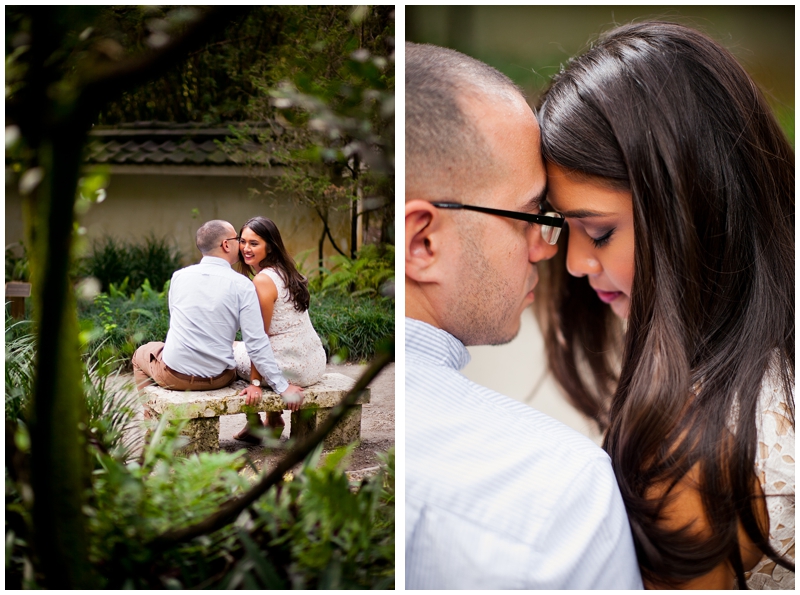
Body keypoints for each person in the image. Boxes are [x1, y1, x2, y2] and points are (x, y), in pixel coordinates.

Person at [535, 21, 794, 589]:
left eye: (598, 232)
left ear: (693, 208)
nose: (574, 264)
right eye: (562, 227)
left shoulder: (689, 455)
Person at [404, 41, 642, 589]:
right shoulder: (555, 493)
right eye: (532, 214)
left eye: (598, 231)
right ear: (422, 242)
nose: (551, 248)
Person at [132, 220, 304, 412]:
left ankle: (151, 427)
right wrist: (282, 387)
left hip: (175, 377)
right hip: (220, 378)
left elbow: (178, 321)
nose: (242, 245)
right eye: (238, 239)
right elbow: (256, 341)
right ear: (226, 244)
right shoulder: (243, 285)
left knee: (142, 353)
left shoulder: (179, 277)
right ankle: (255, 424)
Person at [231, 216, 327, 442]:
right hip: (313, 363)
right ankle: (273, 420)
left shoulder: (263, 281)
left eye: (254, 243)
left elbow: (259, 336)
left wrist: (255, 384)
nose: (246, 248)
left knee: (229, 351)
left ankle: (255, 423)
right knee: (264, 347)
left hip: (289, 369)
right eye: (242, 241)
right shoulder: (287, 272)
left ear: (270, 246)